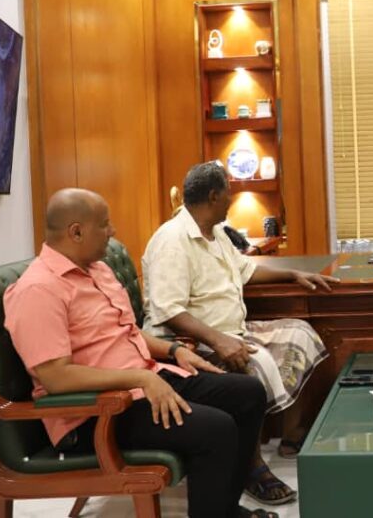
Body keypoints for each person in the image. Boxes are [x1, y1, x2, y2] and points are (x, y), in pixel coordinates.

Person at [3, 188, 277, 518]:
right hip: (96, 414)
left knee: (247, 393)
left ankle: (223, 510)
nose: (113, 231)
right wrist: (141, 378)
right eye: (104, 224)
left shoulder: (97, 269)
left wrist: (174, 349)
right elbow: (56, 377)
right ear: (76, 232)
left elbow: (127, 333)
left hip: (143, 383)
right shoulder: (38, 290)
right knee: (216, 429)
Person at [142, 162, 338, 507]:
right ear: (213, 196)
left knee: (301, 333)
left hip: (233, 330)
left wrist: (293, 274)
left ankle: (291, 435)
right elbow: (169, 311)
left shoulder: (216, 232)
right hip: (190, 343)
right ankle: (250, 465)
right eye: (228, 193)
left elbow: (246, 271)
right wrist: (219, 341)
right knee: (253, 369)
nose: (231, 200)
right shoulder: (172, 241)